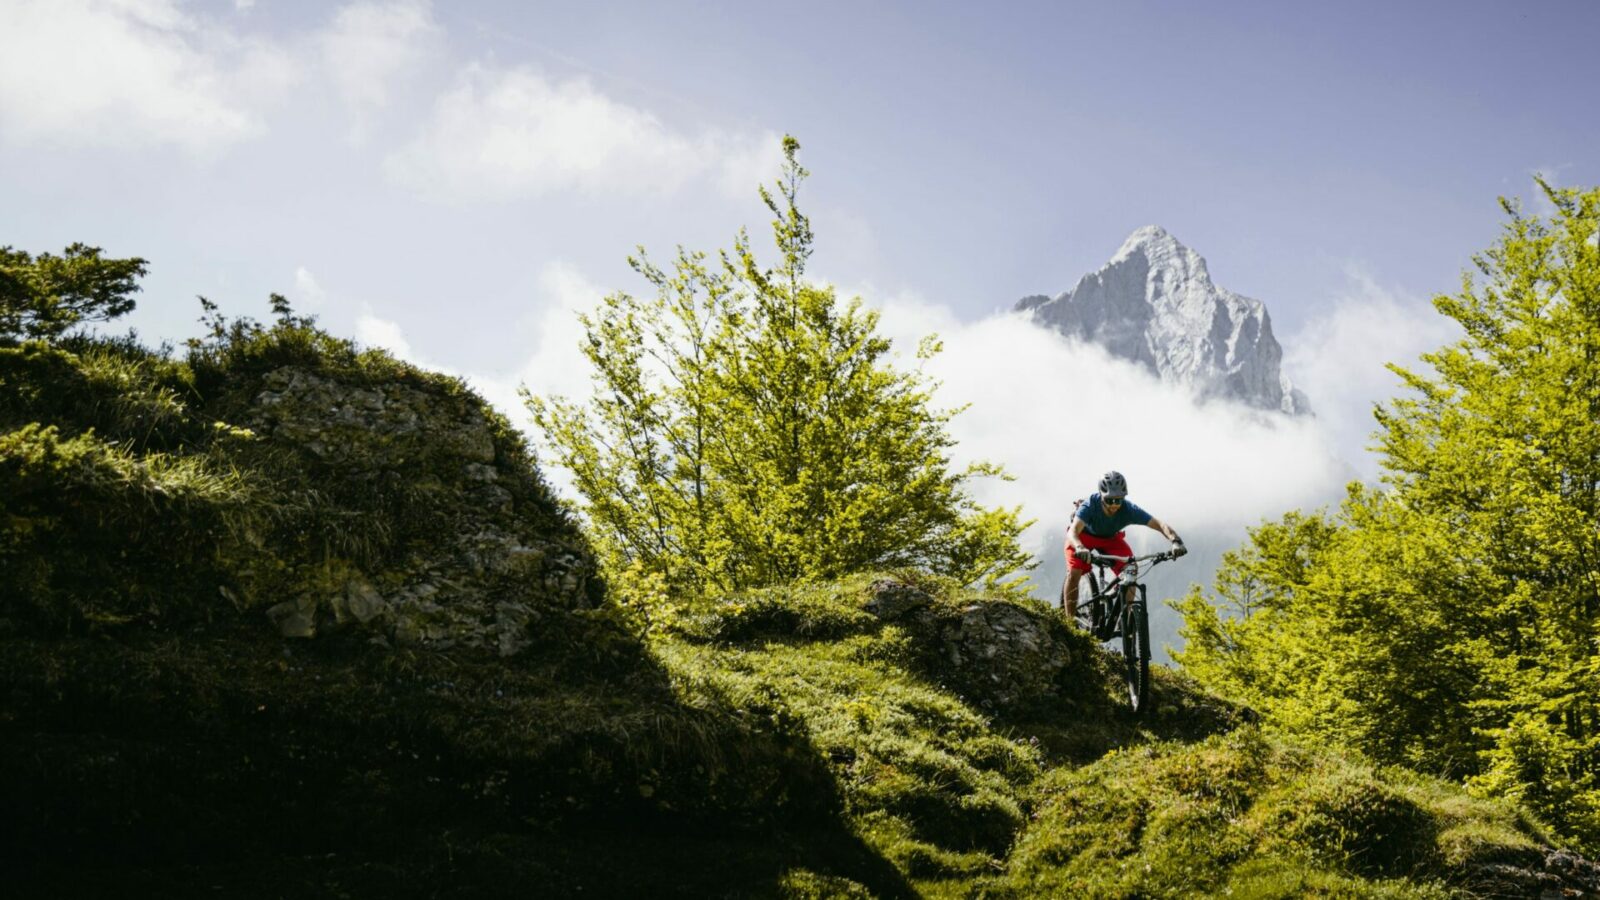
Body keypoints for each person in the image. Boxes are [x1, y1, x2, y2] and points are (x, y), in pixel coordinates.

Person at [1062, 470, 1185, 623]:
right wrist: (1079, 547)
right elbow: (1073, 531)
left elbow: (1159, 524)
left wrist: (1175, 541)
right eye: (1110, 500)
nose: (1114, 505)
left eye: (1118, 500)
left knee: (1131, 568)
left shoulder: (1128, 509)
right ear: (1101, 496)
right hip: (1082, 537)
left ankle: (1125, 618)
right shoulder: (1089, 505)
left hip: (1110, 539)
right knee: (1074, 572)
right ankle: (1068, 621)